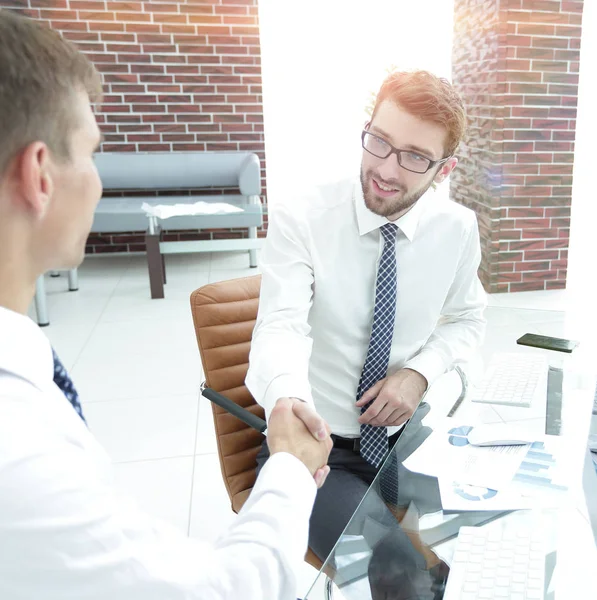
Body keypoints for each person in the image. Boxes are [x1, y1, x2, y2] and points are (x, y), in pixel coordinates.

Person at [0, 11, 332, 600]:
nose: (98, 181)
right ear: (39, 176)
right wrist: (287, 464)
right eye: (92, 153)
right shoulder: (18, 451)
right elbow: (224, 591)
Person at [246, 69, 487, 561]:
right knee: (400, 576)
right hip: (320, 448)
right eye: (379, 141)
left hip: (406, 435)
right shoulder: (304, 216)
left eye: (416, 156)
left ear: (444, 169)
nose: (387, 170)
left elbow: (468, 320)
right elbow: (280, 326)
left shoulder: (457, 229)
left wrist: (419, 374)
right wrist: (287, 399)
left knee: (490, 541)